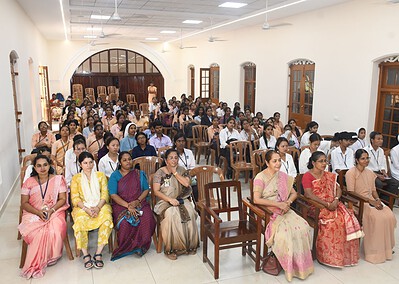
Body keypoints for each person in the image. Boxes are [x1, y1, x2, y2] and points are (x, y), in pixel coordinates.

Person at [253, 150, 313, 281]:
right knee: (285, 234)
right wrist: (277, 204)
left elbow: (294, 193)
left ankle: (300, 265)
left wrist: (287, 202)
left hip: (285, 208)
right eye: (274, 161)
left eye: (279, 160)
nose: (278, 163)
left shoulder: (283, 176)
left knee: (303, 227)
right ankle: (287, 265)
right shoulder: (260, 177)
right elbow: (256, 199)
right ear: (267, 163)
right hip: (268, 212)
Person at [302, 151, 362, 267]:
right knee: (333, 223)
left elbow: (338, 189)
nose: (324, 163)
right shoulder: (307, 176)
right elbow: (308, 194)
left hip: (333, 203)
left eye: (325, 161)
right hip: (316, 206)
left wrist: (335, 199)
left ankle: (343, 256)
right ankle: (328, 257)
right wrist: (326, 204)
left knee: (346, 218)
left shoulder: (328, 175)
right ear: (313, 163)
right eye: (321, 161)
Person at [18, 155, 69, 279]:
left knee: (55, 228)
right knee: (37, 232)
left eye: (45, 165)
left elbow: (62, 199)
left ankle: (52, 256)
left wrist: (51, 210)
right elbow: (24, 203)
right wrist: (37, 212)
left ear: (50, 166)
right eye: (39, 165)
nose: (42, 168)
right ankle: (40, 258)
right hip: (32, 212)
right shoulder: (28, 182)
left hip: (54, 210)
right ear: (34, 168)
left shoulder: (58, 179)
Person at [345, 149, 396, 264]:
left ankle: (385, 249)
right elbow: (351, 192)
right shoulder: (351, 173)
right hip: (359, 203)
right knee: (377, 218)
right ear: (357, 160)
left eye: (367, 158)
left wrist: (377, 200)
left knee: (388, 215)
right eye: (363, 158)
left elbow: (373, 190)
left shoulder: (370, 172)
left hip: (371, 200)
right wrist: (369, 201)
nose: (366, 161)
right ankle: (374, 251)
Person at [153, 149, 199, 260]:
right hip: (165, 201)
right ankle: (172, 249)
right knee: (171, 215)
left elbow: (187, 183)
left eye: (176, 157)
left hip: (181, 199)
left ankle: (190, 246)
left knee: (191, 213)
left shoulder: (182, 170)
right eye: (171, 158)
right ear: (166, 160)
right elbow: (156, 191)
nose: (174, 160)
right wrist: (169, 200)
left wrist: (175, 172)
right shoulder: (160, 172)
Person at [108, 152, 156, 260]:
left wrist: (137, 201)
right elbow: (113, 195)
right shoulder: (115, 176)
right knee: (125, 222)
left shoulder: (139, 173)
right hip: (121, 205)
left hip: (140, 203)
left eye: (129, 159)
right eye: (124, 160)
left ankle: (141, 246)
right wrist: (128, 206)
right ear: (120, 162)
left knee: (146, 218)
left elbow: (146, 190)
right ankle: (128, 247)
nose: (128, 162)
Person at [70, 152, 113, 269]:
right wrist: (86, 209)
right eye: (85, 163)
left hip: (100, 205)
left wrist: (98, 207)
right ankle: (85, 254)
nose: (88, 165)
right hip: (82, 207)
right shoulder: (76, 178)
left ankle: (98, 253)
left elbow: (105, 194)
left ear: (94, 163)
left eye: (90, 162)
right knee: (79, 222)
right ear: (80, 164)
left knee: (107, 220)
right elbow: (75, 198)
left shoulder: (100, 175)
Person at [364, 131, 399, 197]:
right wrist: (377, 175)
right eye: (378, 139)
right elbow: (364, 167)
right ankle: (375, 200)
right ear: (372, 140)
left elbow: (382, 164)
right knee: (379, 184)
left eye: (382, 139)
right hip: (369, 173)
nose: (381, 141)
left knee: (395, 183)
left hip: (379, 172)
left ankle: (385, 201)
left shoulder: (381, 150)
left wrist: (384, 172)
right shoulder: (365, 150)